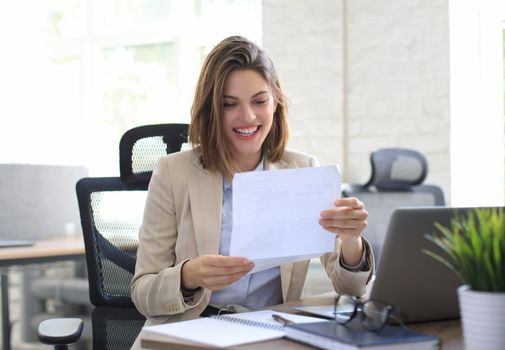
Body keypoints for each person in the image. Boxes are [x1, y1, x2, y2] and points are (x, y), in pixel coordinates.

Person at [131, 35, 374, 326]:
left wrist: (351, 240)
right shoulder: (173, 172)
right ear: (212, 110)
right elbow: (142, 293)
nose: (247, 117)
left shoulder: (301, 170)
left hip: (268, 330)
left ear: (276, 102)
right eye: (229, 104)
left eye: (259, 101)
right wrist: (189, 276)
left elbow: (352, 289)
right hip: (192, 329)